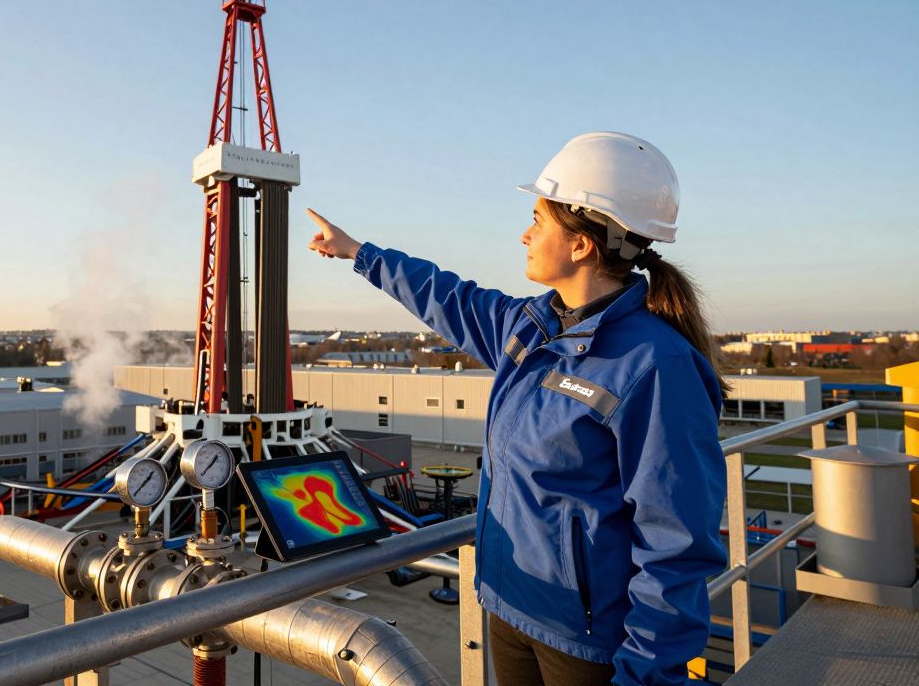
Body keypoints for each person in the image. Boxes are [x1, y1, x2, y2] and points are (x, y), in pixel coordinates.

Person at [306, 132, 727, 686]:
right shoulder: (530, 327)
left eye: (538, 219)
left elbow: (676, 540)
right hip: (509, 606)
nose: (525, 234)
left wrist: (645, 674)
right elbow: (448, 296)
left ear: (581, 244)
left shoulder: (653, 365)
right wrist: (360, 253)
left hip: (588, 644)